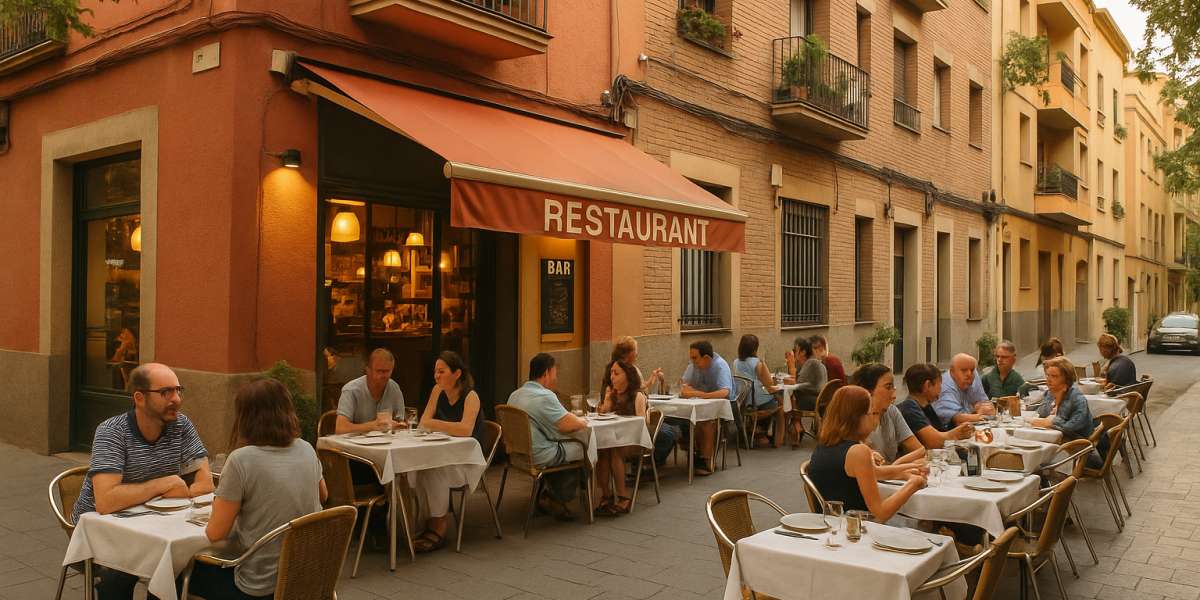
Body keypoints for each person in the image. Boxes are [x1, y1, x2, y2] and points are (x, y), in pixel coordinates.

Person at [72, 363, 214, 600]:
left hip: (156, 524)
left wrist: (178, 489)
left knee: (179, 566)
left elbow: (206, 483)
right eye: (165, 392)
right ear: (139, 398)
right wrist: (164, 484)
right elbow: (106, 502)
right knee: (116, 576)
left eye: (179, 390)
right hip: (102, 532)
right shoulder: (112, 431)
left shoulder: (180, 425)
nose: (176, 399)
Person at [193, 378, 327, 600]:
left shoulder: (241, 460)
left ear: (244, 418)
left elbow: (215, 533)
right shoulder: (306, 449)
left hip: (259, 587)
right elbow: (323, 495)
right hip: (306, 577)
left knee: (179, 573)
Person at [808, 385, 925, 522]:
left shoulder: (825, 444)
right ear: (857, 417)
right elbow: (879, 515)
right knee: (922, 525)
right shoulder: (858, 452)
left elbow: (875, 472)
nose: (875, 420)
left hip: (831, 524)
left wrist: (907, 470)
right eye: (872, 413)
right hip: (856, 530)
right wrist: (913, 485)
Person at [411, 351, 483, 552]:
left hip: (467, 461)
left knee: (435, 470)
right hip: (444, 455)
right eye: (435, 372)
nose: (437, 376)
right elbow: (422, 424)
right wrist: (433, 425)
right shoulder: (437, 391)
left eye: (441, 372)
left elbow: (465, 429)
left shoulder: (471, 396)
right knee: (420, 468)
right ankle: (426, 521)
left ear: (457, 373)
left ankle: (439, 525)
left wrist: (434, 424)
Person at [506, 353, 589, 518]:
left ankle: (548, 493)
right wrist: (583, 421)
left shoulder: (515, 395)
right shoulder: (545, 396)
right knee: (586, 448)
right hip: (540, 455)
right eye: (554, 373)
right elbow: (568, 424)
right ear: (546, 373)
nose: (556, 377)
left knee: (567, 447)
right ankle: (558, 498)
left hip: (518, 455)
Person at [611, 335, 680, 468]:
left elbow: (640, 388)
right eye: (636, 350)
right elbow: (639, 394)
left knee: (670, 428)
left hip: (630, 420)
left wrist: (653, 378)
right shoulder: (625, 371)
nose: (637, 353)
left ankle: (647, 464)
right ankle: (648, 464)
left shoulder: (623, 368)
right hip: (631, 424)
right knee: (671, 432)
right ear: (630, 353)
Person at [593, 360, 648, 516]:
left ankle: (624, 496)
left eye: (616, 373)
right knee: (602, 449)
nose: (612, 377)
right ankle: (606, 494)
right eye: (611, 373)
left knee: (615, 450)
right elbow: (603, 414)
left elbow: (641, 424)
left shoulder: (637, 396)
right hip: (614, 439)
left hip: (635, 440)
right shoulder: (613, 394)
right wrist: (607, 401)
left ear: (628, 376)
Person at [850, 363, 926, 473]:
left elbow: (920, 450)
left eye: (893, 387)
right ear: (868, 390)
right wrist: (904, 466)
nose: (894, 395)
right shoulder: (855, 417)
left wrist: (896, 465)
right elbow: (871, 467)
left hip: (890, 477)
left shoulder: (891, 411)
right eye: (888, 387)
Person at [679, 340, 733, 475]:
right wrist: (686, 389)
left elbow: (725, 392)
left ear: (707, 358)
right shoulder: (694, 365)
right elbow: (684, 383)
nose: (692, 361)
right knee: (690, 419)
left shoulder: (720, 366)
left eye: (694, 358)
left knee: (706, 421)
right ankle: (696, 453)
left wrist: (699, 394)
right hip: (700, 405)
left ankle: (707, 460)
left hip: (722, 408)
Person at [897, 363, 973, 449]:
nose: (941, 388)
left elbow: (941, 431)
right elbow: (935, 442)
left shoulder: (926, 407)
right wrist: (958, 432)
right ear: (928, 385)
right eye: (940, 384)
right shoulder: (909, 408)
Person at [334, 348, 406, 435]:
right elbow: (340, 428)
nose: (383, 375)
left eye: (387, 371)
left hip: (386, 443)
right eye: (379, 371)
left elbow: (401, 423)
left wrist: (398, 425)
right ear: (368, 370)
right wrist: (372, 426)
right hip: (355, 445)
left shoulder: (394, 388)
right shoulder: (351, 390)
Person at [1029, 357, 1094, 440]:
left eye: (1054, 376)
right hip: (1049, 440)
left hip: (1075, 447)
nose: (1048, 380)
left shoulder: (1077, 399)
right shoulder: (1049, 393)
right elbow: (1040, 414)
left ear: (1066, 379)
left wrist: (1052, 422)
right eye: (1047, 375)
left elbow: (1071, 428)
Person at [732, 334, 781, 446]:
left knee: (768, 399)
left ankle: (754, 431)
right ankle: (763, 433)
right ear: (755, 348)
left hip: (742, 400)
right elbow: (769, 383)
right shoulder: (757, 363)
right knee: (776, 402)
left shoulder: (736, 362)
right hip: (754, 401)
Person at [933, 353, 995, 425]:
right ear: (952, 371)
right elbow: (958, 419)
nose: (969, 374)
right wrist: (977, 412)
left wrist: (982, 410)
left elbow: (987, 406)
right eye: (964, 370)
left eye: (972, 370)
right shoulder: (944, 388)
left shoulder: (973, 375)